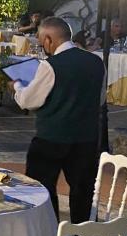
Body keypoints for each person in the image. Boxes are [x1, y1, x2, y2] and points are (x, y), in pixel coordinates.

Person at [10, 17, 105, 222]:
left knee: (40, 187)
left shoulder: (50, 65)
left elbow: (29, 101)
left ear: (48, 39)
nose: (42, 46)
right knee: (83, 189)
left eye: (40, 41)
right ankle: (83, 234)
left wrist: (17, 86)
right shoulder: (96, 62)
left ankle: (49, 229)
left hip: (52, 136)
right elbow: (101, 99)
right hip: (86, 137)